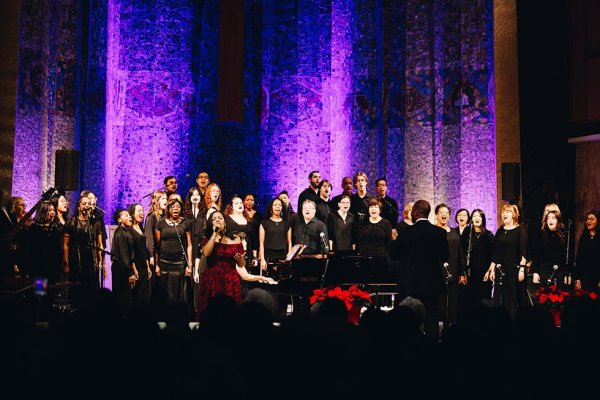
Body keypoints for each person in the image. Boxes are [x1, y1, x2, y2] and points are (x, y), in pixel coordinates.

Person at [194, 211, 274, 320]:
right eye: (214, 219)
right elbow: (206, 253)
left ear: (225, 222)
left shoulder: (236, 239)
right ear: (210, 223)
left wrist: (241, 260)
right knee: (213, 314)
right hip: (213, 279)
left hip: (231, 280)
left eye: (220, 218)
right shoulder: (207, 238)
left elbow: (241, 265)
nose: (217, 220)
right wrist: (214, 234)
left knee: (230, 315)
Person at [388, 199, 449, 341]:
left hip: (410, 284)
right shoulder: (439, 233)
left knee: (408, 320)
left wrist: (394, 240)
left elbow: (394, 255)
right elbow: (445, 256)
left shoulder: (405, 232)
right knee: (431, 319)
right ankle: (432, 352)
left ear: (416, 212)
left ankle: (410, 350)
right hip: (431, 284)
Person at [484, 203, 529, 319]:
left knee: (513, 298)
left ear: (514, 215)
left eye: (508, 212)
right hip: (501, 270)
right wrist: (492, 269)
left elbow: (524, 252)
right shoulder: (500, 230)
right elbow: (496, 252)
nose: (504, 214)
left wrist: (522, 270)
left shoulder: (520, 231)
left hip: (514, 270)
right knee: (499, 298)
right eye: (503, 212)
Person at [63, 195, 105, 304]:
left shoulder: (94, 223)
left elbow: (99, 243)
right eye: (84, 203)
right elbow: (65, 244)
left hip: (91, 259)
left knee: (91, 287)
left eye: (89, 204)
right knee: (77, 288)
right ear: (78, 207)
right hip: (76, 258)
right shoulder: (71, 222)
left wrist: (101, 261)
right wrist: (66, 263)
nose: (87, 206)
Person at [154, 199, 193, 306]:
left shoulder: (186, 223)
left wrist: (189, 265)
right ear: (168, 209)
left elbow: (189, 245)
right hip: (164, 262)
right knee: (164, 292)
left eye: (178, 206)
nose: (176, 208)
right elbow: (157, 246)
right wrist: (157, 265)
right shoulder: (160, 223)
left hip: (179, 262)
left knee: (178, 291)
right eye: (173, 206)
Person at [435, 204, 466, 326]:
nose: (444, 214)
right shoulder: (433, 230)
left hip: (454, 270)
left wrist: (462, 272)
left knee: (453, 299)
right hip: (437, 271)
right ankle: (438, 324)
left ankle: (450, 324)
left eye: (446, 212)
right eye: (441, 212)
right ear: (437, 215)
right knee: (439, 299)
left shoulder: (454, 232)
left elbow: (460, 253)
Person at [357, 198, 395, 283]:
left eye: (375, 207)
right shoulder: (363, 222)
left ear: (380, 210)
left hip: (380, 261)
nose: (373, 209)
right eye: (371, 207)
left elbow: (389, 243)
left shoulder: (386, 223)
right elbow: (359, 240)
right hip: (365, 260)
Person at [462, 209, 494, 308]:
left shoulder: (489, 235)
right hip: (470, 272)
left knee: (484, 300)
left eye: (479, 216)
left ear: (483, 219)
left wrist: (489, 271)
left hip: (485, 273)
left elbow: (494, 255)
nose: (476, 218)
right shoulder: (467, 233)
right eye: (474, 216)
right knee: (470, 300)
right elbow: (461, 251)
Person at [27, 201, 62, 284]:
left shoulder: (54, 229)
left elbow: (58, 249)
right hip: (39, 268)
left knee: (51, 293)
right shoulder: (34, 229)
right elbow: (31, 250)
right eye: (50, 210)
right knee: (40, 293)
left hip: (53, 268)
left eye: (54, 210)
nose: (53, 212)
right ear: (43, 212)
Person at [532, 210, 568, 289]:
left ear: (558, 220)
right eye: (548, 218)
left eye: (553, 218)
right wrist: (535, 272)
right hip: (544, 270)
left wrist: (567, 274)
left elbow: (567, 256)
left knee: (558, 298)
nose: (550, 220)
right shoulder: (541, 235)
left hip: (559, 271)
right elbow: (536, 255)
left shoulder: (564, 236)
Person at [126, 203, 152, 305]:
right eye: (139, 211)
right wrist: (133, 269)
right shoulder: (129, 230)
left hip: (143, 266)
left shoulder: (141, 228)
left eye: (142, 210)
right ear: (132, 213)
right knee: (136, 295)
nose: (142, 213)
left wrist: (148, 267)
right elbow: (130, 251)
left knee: (145, 295)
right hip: (135, 265)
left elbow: (144, 249)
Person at [110, 209, 137, 308]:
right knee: (123, 298)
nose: (129, 217)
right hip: (121, 268)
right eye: (126, 215)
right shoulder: (120, 233)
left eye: (129, 215)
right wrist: (130, 273)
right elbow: (123, 255)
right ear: (119, 220)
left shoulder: (126, 231)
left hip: (124, 267)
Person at [258, 197, 291, 270]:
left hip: (282, 256)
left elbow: (289, 242)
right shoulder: (264, 223)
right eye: (275, 205)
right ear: (271, 208)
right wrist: (262, 259)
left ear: (282, 208)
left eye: (280, 205)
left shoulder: (286, 223)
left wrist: (289, 257)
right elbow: (261, 242)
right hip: (268, 256)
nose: (277, 206)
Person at [574, 210, 600, 292]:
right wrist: (577, 278)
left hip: (597, 276)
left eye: (592, 219)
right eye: (587, 219)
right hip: (585, 276)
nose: (588, 221)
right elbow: (579, 258)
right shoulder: (583, 237)